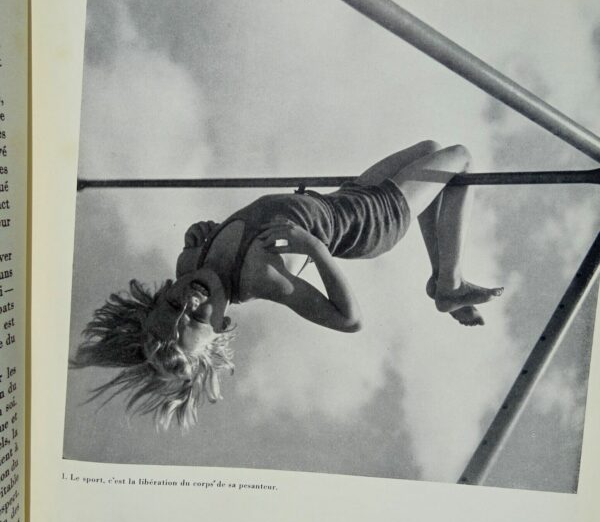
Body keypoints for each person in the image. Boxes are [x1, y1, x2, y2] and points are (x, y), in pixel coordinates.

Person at [72, 141, 503, 429]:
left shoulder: (192, 260)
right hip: (371, 222)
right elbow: (349, 320)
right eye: (198, 316)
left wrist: (197, 231)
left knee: (430, 152)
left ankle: (442, 282)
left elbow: (197, 244)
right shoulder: (260, 277)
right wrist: (314, 249)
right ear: (221, 326)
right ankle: (449, 283)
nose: (190, 298)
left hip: (344, 197)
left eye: (172, 304)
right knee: (460, 157)